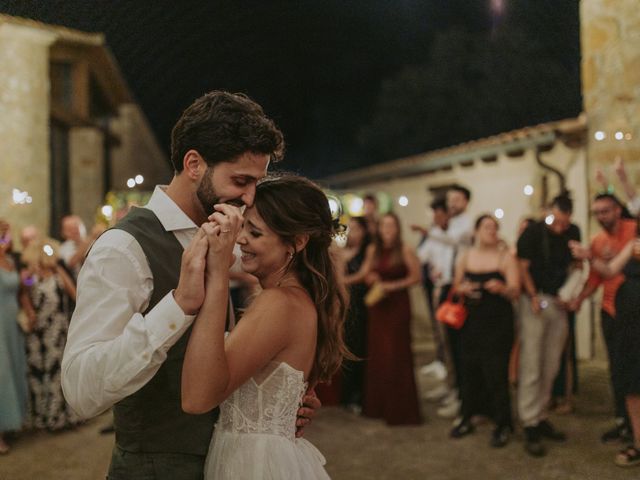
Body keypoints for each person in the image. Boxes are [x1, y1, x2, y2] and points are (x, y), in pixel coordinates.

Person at [61, 91, 318, 479]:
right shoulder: (123, 248)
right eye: (241, 181)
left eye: (256, 183)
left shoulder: (228, 241)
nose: (250, 198)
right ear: (194, 164)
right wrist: (178, 305)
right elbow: (80, 391)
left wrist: (279, 401)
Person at [182, 174, 349, 479]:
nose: (240, 239)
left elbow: (197, 397)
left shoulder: (280, 303)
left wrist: (218, 274)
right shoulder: (293, 299)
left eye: (255, 232)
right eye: (243, 226)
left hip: (255, 463)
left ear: (296, 243)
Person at [569, 193, 637, 443]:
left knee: (635, 372)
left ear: (618, 210)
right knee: (617, 370)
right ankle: (623, 422)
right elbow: (596, 278)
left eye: (605, 211)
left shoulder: (634, 231)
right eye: (596, 212)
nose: (601, 217)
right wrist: (578, 299)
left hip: (635, 313)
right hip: (610, 312)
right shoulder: (596, 241)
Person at [517, 193, 581, 457]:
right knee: (532, 361)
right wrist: (532, 296)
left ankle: (542, 413)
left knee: (552, 362)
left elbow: (577, 265)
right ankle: (529, 421)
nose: (560, 227)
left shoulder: (573, 231)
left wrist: (574, 294)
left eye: (564, 223)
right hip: (537, 298)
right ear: (548, 212)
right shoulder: (532, 232)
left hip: (560, 300)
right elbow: (522, 267)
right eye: (556, 221)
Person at [448, 215, 519, 447]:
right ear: (476, 230)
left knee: (496, 372)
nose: (492, 230)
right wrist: (464, 288)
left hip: (498, 322)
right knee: (469, 370)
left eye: (495, 227)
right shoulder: (466, 255)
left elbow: (515, 290)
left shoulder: (504, 256)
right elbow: (455, 286)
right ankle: (467, 416)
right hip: (471, 321)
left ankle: (502, 423)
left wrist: (501, 287)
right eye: (487, 227)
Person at [359, 212, 422, 425]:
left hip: (397, 305)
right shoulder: (372, 250)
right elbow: (365, 274)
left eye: (391, 225)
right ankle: (378, 406)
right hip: (378, 306)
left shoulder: (405, 249)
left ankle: (400, 409)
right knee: (379, 354)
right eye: (384, 225)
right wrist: (372, 279)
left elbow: (416, 277)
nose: (387, 229)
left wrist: (392, 286)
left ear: (397, 228)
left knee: (396, 354)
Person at [590, 235, 640, 467]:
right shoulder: (634, 243)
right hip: (630, 324)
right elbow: (610, 271)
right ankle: (639, 443)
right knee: (632, 383)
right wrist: (590, 256)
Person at [21, 238, 79, 431]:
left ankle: (65, 416)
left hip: (58, 329)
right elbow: (25, 293)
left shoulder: (57, 273)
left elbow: (74, 293)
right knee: (43, 374)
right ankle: (48, 417)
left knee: (60, 371)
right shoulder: (32, 277)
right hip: (40, 332)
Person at [415, 197, 452, 382]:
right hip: (436, 287)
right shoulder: (433, 234)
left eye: (439, 214)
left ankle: (449, 367)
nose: (437, 218)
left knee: (449, 330)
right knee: (438, 327)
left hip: (450, 286)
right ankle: (441, 362)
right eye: (434, 215)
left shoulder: (454, 234)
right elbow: (421, 257)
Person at [0, 220, 28, 454]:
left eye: (6, 236)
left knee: (16, 369)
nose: (5, 241)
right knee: (2, 375)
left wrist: (30, 277)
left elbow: (22, 288)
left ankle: (11, 423)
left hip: (12, 324)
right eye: (2, 236)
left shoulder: (11, 262)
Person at [340, 216, 372, 412]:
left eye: (357, 229)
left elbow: (364, 274)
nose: (353, 232)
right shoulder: (343, 252)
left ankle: (360, 394)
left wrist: (342, 281)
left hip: (364, 303)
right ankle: (348, 394)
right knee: (348, 346)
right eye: (350, 228)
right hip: (347, 303)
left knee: (362, 346)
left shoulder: (368, 250)